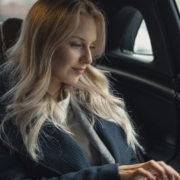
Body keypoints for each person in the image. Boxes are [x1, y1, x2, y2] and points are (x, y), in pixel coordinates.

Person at [0, 0, 179, 179]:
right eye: (77, 44)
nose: (88, 58)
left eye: (92, 46)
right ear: (42, 43)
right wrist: (110, 175)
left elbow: (128, 161)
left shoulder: (97, 95)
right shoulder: (8, 113)